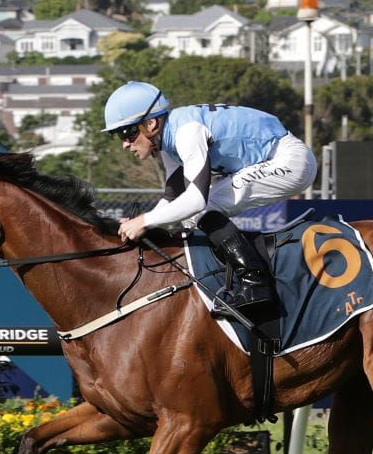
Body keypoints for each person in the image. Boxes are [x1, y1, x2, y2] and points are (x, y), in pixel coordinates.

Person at [103, 81, 317, 311]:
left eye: (128, 133)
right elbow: (173, 197)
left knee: (203, 208)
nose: (125, 144)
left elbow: (196, 200)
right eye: (119, 136)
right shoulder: (168, 138)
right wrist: (142, 223)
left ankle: (256, 283)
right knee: (190, 217)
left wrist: (144, 221)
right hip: (273, 159)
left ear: (151, 123)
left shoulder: (186, 132)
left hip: (290, 160)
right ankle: (225, 276)